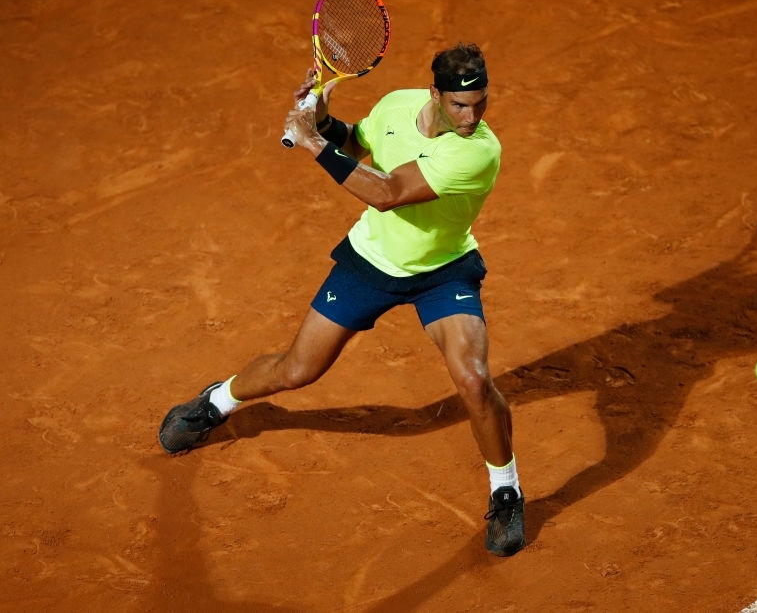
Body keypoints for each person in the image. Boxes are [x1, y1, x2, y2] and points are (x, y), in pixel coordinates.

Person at [158, 42, 525, 557]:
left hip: (443, 271)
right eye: (460, 105)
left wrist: (311, 142)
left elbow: (387, 193)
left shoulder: (479, 150)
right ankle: (218, 400)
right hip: (370, 262)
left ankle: (506, 489)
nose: (472, 117)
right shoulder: (397, 104)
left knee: (474, 379)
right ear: (435, 94)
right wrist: (325, 123)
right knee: (297, 370)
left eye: (481, 103)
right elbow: (355, 144)